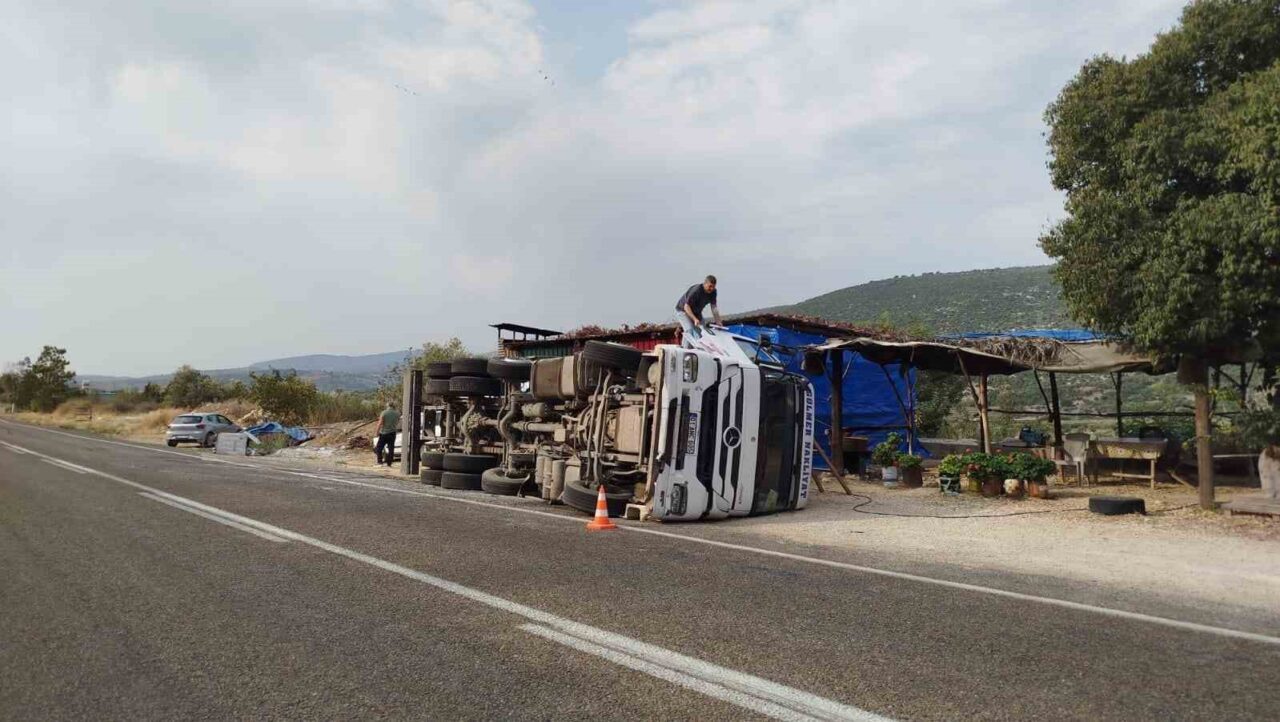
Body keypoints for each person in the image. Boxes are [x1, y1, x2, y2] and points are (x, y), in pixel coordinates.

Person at [674, 275, 721, 348]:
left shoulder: (713, 292)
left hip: (697, 313)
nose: (711, 289)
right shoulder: (696, 290)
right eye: (710, 286)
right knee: (690, 330)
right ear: (705, 284)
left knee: (702, 332)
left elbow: (714, 307)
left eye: (713, 287)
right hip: (683, 310)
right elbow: (686, 306)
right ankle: (684, 350)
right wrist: (694, 319)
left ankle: (696, 351)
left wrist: (718, 322)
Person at [374, 402, 400, 467]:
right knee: (391, 448)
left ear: (388, 405)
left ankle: (380, 462)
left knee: (379, 448)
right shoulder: (397, 413)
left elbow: (380, 423)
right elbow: (397, 422)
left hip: (384, 433)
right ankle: (389, 463)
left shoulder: (384, 413)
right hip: (393, 433)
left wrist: (377, 432)